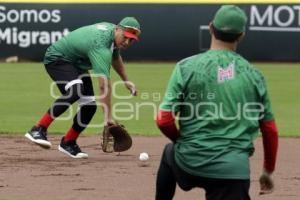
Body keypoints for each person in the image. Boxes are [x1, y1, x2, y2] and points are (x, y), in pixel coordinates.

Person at [155, 5, 278, 200]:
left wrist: (182, 141)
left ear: (211, 27)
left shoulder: (185, 67)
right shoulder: (255, 75)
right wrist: (267, 171)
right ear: (241, 36)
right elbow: (270, 129)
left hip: (188, 161)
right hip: (232, 171)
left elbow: (163, 119)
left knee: (170, 152)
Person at [25, 17, 141, 159]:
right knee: (75, 91)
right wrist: (107, 117)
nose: (127, 42)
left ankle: (68, 142)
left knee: (89, 106)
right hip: (58, 58)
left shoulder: (113, 36)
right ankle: (38, 129)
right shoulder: (100, 45)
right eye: (125, 37)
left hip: (77, 64)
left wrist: (126, 80)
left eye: (131, 40)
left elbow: (115, 58)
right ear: (118, 29)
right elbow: (104, 84)